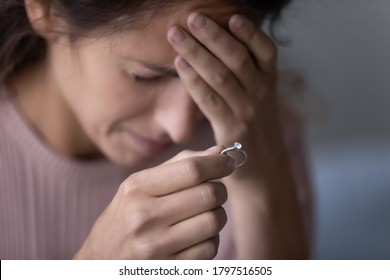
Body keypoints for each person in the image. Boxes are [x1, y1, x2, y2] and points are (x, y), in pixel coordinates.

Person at [0, 0, 311, 259]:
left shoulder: (260, 131)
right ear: (46, 10)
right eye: (145, 77)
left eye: (215, 76)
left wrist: (263, 180)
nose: (181, 129)